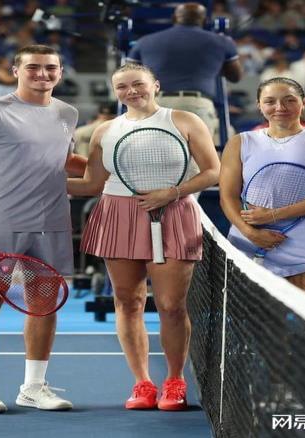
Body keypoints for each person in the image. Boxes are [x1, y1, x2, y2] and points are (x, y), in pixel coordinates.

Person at [67, 63, 220, 410]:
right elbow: (92, 183)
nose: (131, 91)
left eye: (138, 84)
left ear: (156, 85)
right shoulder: (105, 130)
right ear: (115, 92)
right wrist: (37, 181)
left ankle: (175, 381)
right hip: (117, 215)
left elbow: (213, 171)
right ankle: (142, 383)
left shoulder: (184, 120)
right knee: (127, 301)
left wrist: (172, 192)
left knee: (171, 305)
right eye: (122, 87)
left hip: (174, 211)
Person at [0, 44, 86, 413]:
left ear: (59, 72)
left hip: (51, 220)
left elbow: (60, 159)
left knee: (44, 305)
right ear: (15, 71)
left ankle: (33, 387)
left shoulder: (67, 113)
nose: (42, 74)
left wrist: (113, 167)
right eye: (33, 67)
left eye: (50, 67)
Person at [219, 77, 305, 304]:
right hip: (248, 239)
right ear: (259, 105)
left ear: (304, 102)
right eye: (270, 101)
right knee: (254, 319)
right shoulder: (240, 142)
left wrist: (273, 215)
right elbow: (227, 196)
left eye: (289, 100)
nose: (280, 107)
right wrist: (250, 233)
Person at [126, 2, 242, 145]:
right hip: (197, 105)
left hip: (156, 104)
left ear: (174, 18)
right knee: (198, 157)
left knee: (154, 153)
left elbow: (127, 76)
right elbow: (235, 76)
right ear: (205, 20)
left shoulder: (145, 41)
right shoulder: (222, 42)